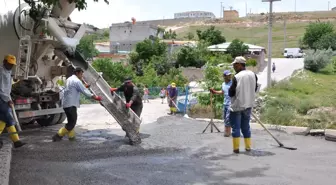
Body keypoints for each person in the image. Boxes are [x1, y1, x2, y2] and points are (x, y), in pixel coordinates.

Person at [52, 67, 102, 142]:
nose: (82, 76)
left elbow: (73, 88)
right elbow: (85, 91)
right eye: (81, 74)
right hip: (71, 105)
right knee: (72, 123)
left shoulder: (69, 79)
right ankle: (58, 135)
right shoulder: (77, 81)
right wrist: (95, 97)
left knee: (70, 122)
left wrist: (84, 86)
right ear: (77, 73)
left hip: (66, 104)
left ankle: (71, 137)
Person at [229, 56, 258, 154]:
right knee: (246, 127)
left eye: (235, 65)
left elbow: (231, 93)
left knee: (236, 127)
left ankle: (236, 149)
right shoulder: (253, 75)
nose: (234, 67)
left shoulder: (237, 77)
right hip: (248, 105)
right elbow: (255, 88)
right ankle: (248, 147)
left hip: (237, 106)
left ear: (240, 65)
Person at [0, 55, 26, 148]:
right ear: (4, 61)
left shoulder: (7, 71)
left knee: (4, 119)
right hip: (2, 98)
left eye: (12, 64)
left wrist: (14, 80)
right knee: (8, 118)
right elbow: (2, 89)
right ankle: (16, 141)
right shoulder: (1, 72)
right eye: (9, 64)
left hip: (4, 98)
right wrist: (8, 100)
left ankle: (16, 141)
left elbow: (7, 85)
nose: (11, 66)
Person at [210, 70, 232, 137]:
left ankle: (227, 133)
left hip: (231, 103)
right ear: (224, 76)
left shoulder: (233, 83)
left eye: (230, 75)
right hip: (225, 103)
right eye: (228, 75)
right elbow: (222, 92)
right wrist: (214, 92)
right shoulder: (223, 84)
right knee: (225, 118)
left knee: (228, 118)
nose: (229, 76)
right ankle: (228, 131)